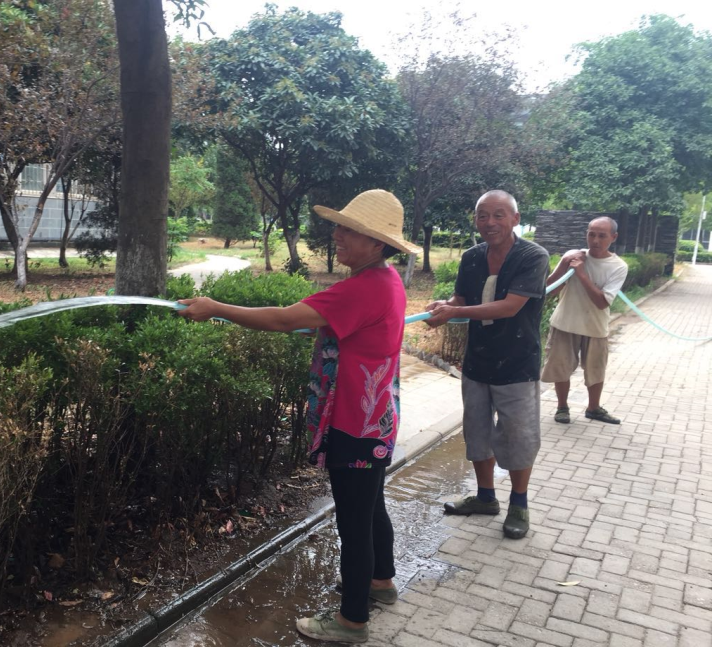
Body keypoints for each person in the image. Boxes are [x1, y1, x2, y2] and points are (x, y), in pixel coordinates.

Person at [178, 189, 418, 644]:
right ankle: (381, 582)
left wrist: (214, 308)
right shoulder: (386, 280)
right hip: (378, 420)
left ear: (377, 244)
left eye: (351, 230)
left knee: (353, 521)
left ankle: (351, 622)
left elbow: (284, 319)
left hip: (354, 423)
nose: (338, 234)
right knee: (371, 506)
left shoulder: (361, 288)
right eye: (340, 225)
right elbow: (332, 324)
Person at [425, 190, 549, 540]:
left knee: (519, 435)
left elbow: (510, 306)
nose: (489, 222)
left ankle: (519, 504)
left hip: (518, 363)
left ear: (515, 218)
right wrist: (443, 306)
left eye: (498, 215)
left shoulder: (533, 256)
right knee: (477, 430)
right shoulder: (472, 257)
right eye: (482, 215)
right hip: (478, 361)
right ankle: (485, 498)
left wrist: (456, 310)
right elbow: (461, 299)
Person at [541, 216, 628, 424]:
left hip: (595, 326)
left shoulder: (618, 266)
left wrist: (581, 274)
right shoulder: (574, 258)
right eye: (591, 234)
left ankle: (593, 408)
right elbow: (548, 290)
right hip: (565, 323)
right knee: (560, 367)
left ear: (613, 237)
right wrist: (564, 263)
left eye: (602, 236)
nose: (595, 240)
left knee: (595, 369)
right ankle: (562, 407)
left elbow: (602, 302)